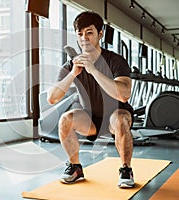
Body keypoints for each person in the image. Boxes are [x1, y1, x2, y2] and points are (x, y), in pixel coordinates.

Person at [47, 11, 135, 188]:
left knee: (120, 120)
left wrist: (93, 70)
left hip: (115, 115)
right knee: (66, 120)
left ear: (100, 34)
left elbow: (124, 94)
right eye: (80, 34)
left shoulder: (115, 61)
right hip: (89, 119)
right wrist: (74, 73)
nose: (84, 38)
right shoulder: (71, 65)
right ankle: (75, 167)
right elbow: (52, 98)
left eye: (89, 32)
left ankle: (126, 169)